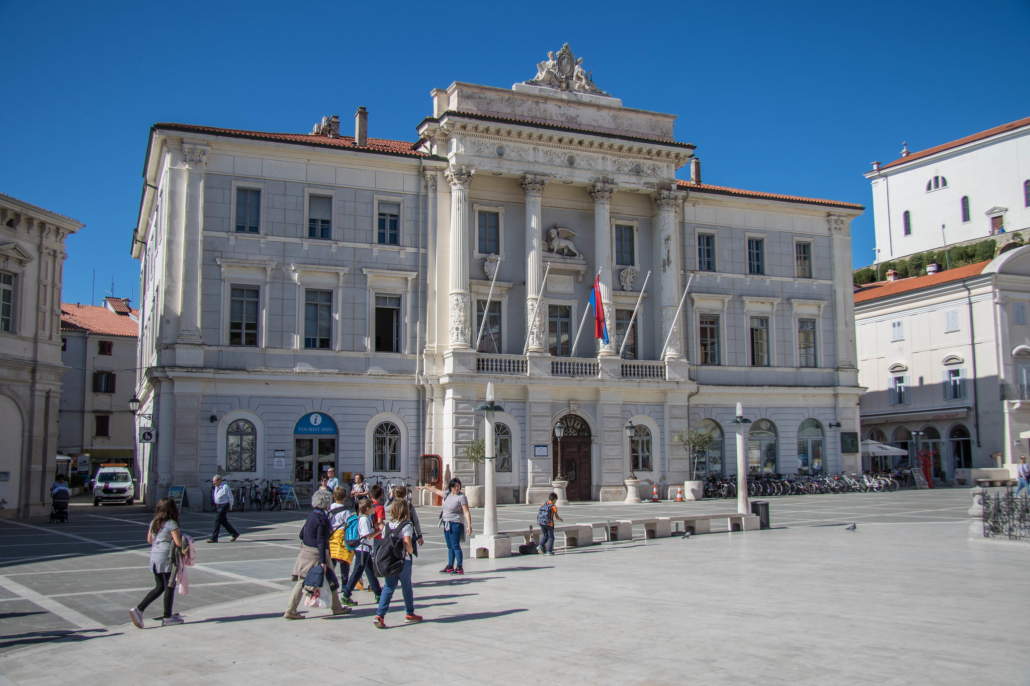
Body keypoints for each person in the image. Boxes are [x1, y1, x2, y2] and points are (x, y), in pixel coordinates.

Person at [285, 489, 349, 619]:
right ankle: (336, 608)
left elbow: (301, 534)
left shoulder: (312, 515)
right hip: (317, 553)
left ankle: (291, 609)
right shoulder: (322, 518)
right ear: (327, 503)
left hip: (305, 551)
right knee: (330, 579)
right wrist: (323, 561)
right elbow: (321, 540)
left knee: (303, 580)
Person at [129, 497, 183, 628]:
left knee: (160, 586)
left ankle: (139, 609)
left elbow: (149, 539)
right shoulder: (171, 524)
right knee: (169, 586)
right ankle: (167, 617)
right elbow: (178, 543)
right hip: (166, 557)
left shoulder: (154, 522)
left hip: (154, 557)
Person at [374, 498, 422, 628]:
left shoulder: (387, 526)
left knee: (388, 587)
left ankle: (380, 615)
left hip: (390, 561)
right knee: (406, 588)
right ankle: (409, 613)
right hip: (402, 561)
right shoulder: (406, 526)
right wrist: (411, 551)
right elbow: (407, 543)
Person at [419, 478, 472, 575]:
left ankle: (459, 567)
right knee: (449, 546)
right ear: (451, 487)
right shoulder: (448, 494)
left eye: (458, 486)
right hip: (446, 523)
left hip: (456, 524)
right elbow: (437, 491)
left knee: (455, 545)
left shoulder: (461, 497)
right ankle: (450, 565)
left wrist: (469, 525)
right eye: (454, 486)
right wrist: (425, 487)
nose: (456, 488)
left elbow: (466, 511)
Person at [341, 499, 383, 605]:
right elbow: (367, 535)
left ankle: (378, 593)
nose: (375, 508)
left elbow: (367, 531)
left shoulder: (366, 518)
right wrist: (379, 531)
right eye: (373, 507)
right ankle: (346, 595)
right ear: (368, 509)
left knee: (370, 571)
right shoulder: (364, 519)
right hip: (362, 550)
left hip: (365, 549)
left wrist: (374, 527)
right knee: (357, 572)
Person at [328, 486, 354, 590]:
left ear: (334, 497)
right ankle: (344, 584)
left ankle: (330, 581)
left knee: (331, 562)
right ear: (345, 497)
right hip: (341, 538)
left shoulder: (329, 509)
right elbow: (349, 525)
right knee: (343, 561)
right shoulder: (346, 511)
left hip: (330, 538)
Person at [207, 475, 239, 543]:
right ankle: (234, 534)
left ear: (219, 481)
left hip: (224, 505)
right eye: (213, 481)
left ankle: (214, 538)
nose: (214, 482)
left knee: (217, 521)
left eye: (215, 481)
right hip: (218, 506)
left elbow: (230, 497)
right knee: (224, 522)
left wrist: (231, 506)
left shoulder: (225, 487)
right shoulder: (216, 487)